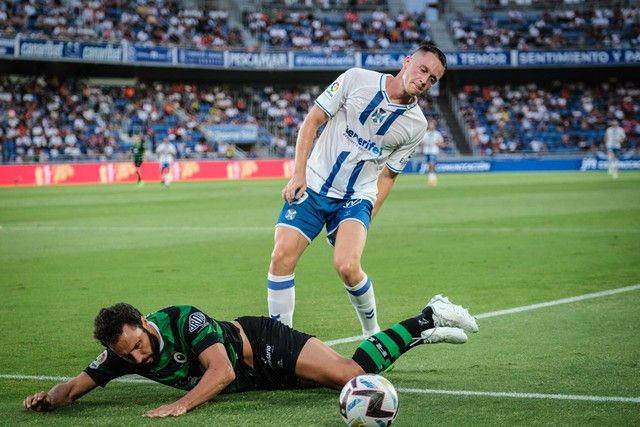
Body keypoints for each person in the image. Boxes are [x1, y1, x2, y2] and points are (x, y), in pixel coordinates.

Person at [23, 295, 477, 417]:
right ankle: (423, 330)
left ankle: (426, 317)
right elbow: (76, 386)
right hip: (257, 379)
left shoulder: (184, 319)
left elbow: (219, 372)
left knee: (349, 374)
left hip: (261, 345)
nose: (138, 358)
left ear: (144, 322)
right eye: (127, 355)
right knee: (345, 378)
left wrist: (181, 404)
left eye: (138, 345)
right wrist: (51, 398)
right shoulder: (122, 353)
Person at [267, 42, 447, 335]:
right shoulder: (356, 79)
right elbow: (312, 120)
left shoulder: (416, 125)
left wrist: (368, 217)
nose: (425, 80)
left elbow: (388, 176)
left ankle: (371, 333)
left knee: (347, 266)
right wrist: (297, 173)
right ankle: (279, 340)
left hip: (357, 197)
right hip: (313, 184)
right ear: (407, 62)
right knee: (281, 257)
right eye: (423, 70)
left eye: (432, 79)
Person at [422, 119, 444, 187]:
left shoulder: (437, 134)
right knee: (429, 165)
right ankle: (431, 178)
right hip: (426, 151)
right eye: (430, 124)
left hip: (434, 151)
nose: (431, 126)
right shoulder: (425, 133)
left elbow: (441, 143)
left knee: (432, 164)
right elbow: (422, 142)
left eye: (432, 124)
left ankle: (433, 179)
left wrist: (437, 143)